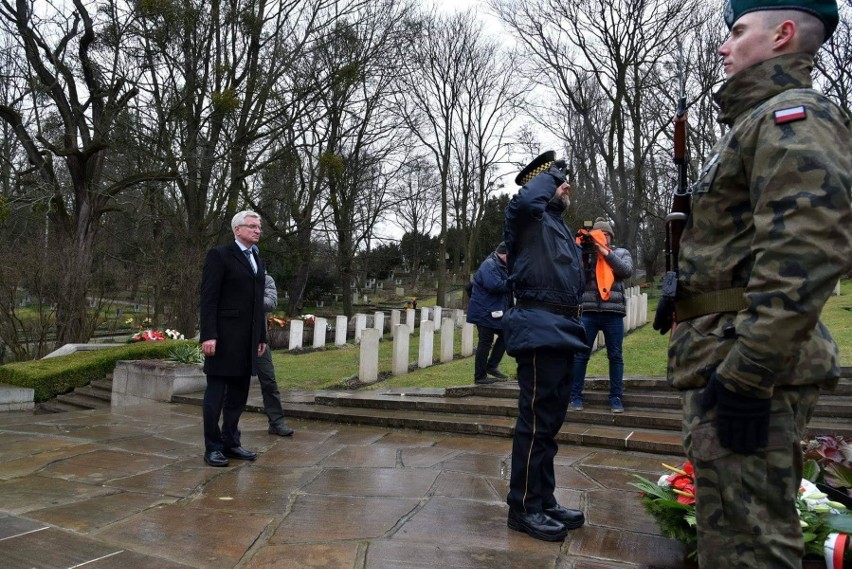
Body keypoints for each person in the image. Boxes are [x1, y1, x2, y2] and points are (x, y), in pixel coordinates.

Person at [654, 1, 852, 566]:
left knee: (753, 549)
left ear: (783, 35)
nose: (724, 46)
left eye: (738, 32)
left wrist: (746, 376)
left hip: (747, 367)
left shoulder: (794, 116)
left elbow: (807, 252)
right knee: (733, 541)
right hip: (727, 356)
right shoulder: (757, 121)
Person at [502, 151, 587, 542]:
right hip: (538, 325)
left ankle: (543, 499)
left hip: (562, 326)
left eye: (563, 180)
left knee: (549, 425)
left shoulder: (555, 223)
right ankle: (522, 508)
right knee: (535, 424)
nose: (565, 185)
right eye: (557, 181)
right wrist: (552, 174)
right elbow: (526, 198)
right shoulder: (525, 218)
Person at [199, 210, 268, 467]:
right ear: (237, 230)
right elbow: (208, 298)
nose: (257, 230)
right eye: (252, 226)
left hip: (247, 341)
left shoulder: (257, 259)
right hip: (223, 339)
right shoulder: (219, 255)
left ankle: (231, 442)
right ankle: (212, 447)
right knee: (215, 396)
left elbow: (257, 303)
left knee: (238, 396)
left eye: (259, 227)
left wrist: (262, 336)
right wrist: (209, 335)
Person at [570, 218, 633, 413]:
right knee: (581, 356)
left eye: (604, 234)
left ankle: (615, 397)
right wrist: (580, 248)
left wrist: (604, 251)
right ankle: (575, 396)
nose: (600, 237)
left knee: (615, 356)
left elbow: (626, 271)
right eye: (597, 234)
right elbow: (571, 273)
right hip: (588, 311)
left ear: (610, 236)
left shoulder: (621, 252)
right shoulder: (584, 252)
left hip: (612, 312)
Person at [256, 265, 295, 437]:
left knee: (269, 381)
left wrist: (249, 295)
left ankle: (277, 422)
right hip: (237, 338)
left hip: (258, 340)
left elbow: (270, 303)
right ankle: (228, 426)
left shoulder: (266, 279)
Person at [466, 242, 511, 385]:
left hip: (493, 311)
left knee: (506, 334)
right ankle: (479, 376)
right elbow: (495, 286)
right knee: (485, 342)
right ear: (503, 254)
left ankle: (491, 366)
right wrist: (514, 282)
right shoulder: (489, 265)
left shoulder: (502, 266)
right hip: (483, 311)